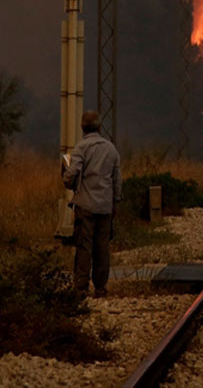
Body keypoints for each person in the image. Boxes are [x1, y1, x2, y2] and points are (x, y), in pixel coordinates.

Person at [61, 110, 122, 298]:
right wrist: (115, 202)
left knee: (84, 246)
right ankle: (101, 287)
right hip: (105, 206)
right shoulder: (111, 149)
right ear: (99, 126)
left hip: (85, 206)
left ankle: (81, 287)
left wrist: (66, 180)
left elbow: (72, 174)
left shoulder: (81, 148)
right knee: (102, 247)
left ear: (82, 127)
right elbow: (117, 180)